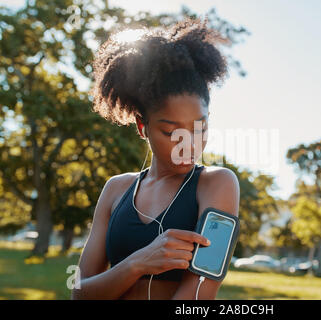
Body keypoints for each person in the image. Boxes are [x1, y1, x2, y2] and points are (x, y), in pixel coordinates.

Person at [71, 17, 240, 300]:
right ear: (142, 127)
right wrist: (138, 263)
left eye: (200, 128)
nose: (188, 144)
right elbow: (79, 293)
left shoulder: (218, 184)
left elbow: (199, 294)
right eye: (170, 131)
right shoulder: (116, 189)